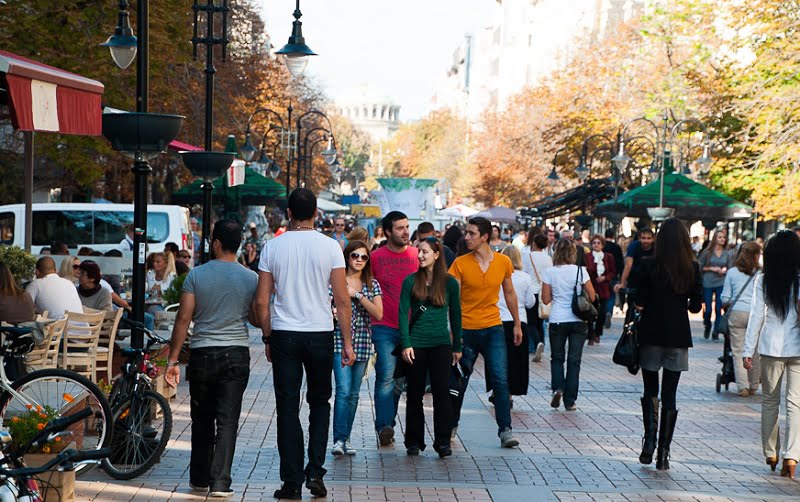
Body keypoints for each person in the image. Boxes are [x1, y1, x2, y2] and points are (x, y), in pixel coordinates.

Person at [254, 189, 354, 500]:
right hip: (320, 333)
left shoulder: (272, 246)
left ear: (288, 211)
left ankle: (291, 482)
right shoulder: (331, 247)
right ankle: (316, 471)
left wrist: (268, 336)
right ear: (315, 213)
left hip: (285, 333)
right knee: (320, 403)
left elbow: (261, 301)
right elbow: (342, 300)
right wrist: (347, 342)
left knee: (286, 408)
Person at [164, 219, 258, 498]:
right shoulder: (250, 278)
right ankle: (220, 483)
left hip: (203, 352)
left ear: (215, 243)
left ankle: (199, 479)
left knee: (202, 418)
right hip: (236, 353)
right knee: (228, 420)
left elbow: (183, 318)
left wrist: (172, 359)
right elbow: (253, 317)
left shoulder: (196, 275)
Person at [633, 218, 702, 471]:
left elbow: (639, 302)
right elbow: (696, 306)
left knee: (650, 389)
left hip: (651, 333)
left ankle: (648, 443)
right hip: (678, 336)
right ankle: (664, 453)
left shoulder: (649, 265)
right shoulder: (692, 267)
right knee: (670, 394)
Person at [449, 216, 521, 448]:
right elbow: (453, 300)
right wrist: (454, 332)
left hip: (493, 328)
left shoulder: (502, 262)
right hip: (466, 330)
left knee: (500, 379)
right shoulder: (460, 263)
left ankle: (505, 429)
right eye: (466, 233)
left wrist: (517, 323)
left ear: (485, 237)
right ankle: (451, 424)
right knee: (460, 380)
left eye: (471, 233)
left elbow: (509, 293)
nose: (466, 237)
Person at [743, 230, 800, 479]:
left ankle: (771, 452)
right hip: (798, 346)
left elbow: (757, 316)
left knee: (769, 401)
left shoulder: (762, 280)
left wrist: (748, 350)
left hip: (770, 347)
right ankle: (792, 455)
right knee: (796, 403)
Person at [398, 237, 461, 458]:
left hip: (441, 345)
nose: (421, 256)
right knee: (414, 393)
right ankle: (413, 441)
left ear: (436, 255)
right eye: (419, 252)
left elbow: (456, 315)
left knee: (441, 393)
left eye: (425, 252)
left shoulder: (450, 283)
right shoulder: (410, 281)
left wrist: (458, 346)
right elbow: (402, 315)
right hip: (416, 345)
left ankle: (443, 441)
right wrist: (405, 343)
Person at [369, 211, 419, 447]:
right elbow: (368, 289)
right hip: (384, 325)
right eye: (399, 228)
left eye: (407, 227)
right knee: (386, 376)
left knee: (401, 381)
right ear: (387, 232)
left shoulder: (417, 255)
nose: (406, 232)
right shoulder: (376, 258)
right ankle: (384, 426)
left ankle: (388, 420)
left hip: (413, 328)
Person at [330, 240, 383, 457]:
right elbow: (325, 304)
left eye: (363, 257)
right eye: (355, 255)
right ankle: (338, 439)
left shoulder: (372, 284)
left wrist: (358, 295)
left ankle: (346, 437)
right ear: (347, 257)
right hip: (339, 342)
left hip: (363, 342)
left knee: (353, 393)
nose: (359, 260)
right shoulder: (336, 281)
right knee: (342, 390)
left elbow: (379, 313)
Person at [541, 239, 596, 412]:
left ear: (556, 252)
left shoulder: (549, 272)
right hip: (578, 321)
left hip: (557, 319)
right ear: (573, 253)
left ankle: (558, 388)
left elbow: (545, 299)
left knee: (557, 358)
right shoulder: (581, 271)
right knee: (574, 361)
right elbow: (592, 297)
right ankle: (570, 401)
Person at [721, 241, 762, 396]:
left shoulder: (732, 272)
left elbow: (725, 297)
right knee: (755, 351)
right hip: (755, 314)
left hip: (737, 312)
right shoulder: (761, 273)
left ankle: (742, 386)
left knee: (738, 351)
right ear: (757, 255)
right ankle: (754, 385)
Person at [496, 245, 535, 402]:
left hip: (498, 320)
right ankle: (511, 392)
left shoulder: (498, 274)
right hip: (518, 321)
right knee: (515, 360)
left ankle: (497, 390)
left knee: (498, 359)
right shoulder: (525, 277)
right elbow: (531, 302)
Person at [698, 229, 734, 340]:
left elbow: (731, 268)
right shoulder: (707, 252)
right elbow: (699, 267)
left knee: (719, 308)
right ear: (715, 239)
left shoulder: (727, 253)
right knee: (708, 308)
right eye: (720, 237)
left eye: (724, 237)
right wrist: (712, 268)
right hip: (708, 282)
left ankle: (716, 331)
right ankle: (707, 324)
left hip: (721, 282)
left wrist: (725, 270)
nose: (722, 239)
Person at [522, 231, 552, 362]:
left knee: (530, 321)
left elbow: (524, 273)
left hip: (531, 291)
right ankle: (541, 343)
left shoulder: (527, 256)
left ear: (534, 243)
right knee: (541, 320)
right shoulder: (548, 258)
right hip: (543, 292)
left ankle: (537, 343)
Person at [585, 235, 616, 345]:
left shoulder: (608, 256)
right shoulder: (588, 256)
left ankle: (598, 333)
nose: (596, 245)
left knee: (601, 312)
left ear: (602, 245)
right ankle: (590, 335)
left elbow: (612, 271)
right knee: (589, 312)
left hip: (604, 288)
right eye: (594, 243)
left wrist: (605, 277)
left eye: (598, 243)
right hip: (591, 287)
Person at [614, 228, 655, 308]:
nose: (646, 241)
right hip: (635, 277)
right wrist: (623, 282)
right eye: (643, 238)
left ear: (653, 239)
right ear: (639, 238)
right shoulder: (634, 246)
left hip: (651, 277)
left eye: (648, 238)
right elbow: (628, 265)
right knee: (632, 305)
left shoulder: (656, 247)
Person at [603, 228, 624, 328]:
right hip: (614, 275)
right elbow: (620, 263)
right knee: (611, 296)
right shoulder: (616, 247)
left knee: (602, 296)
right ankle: (609, 312)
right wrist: (621, 276)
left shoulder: (602, 246)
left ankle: (603, 314)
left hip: (602, 275)